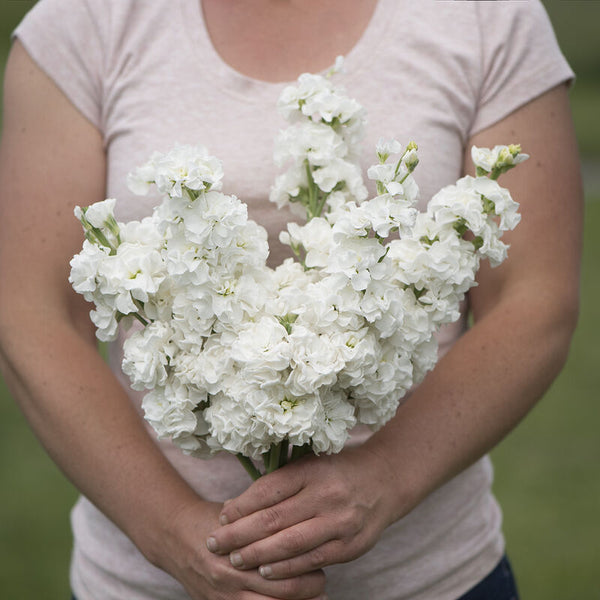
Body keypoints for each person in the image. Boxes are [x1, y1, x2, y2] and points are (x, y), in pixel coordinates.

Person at [0, 0, 582, 598]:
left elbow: (535, 302)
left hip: (432, 580)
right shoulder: (83, 21)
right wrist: (172, 531)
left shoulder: (487, 17)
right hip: (142, 582)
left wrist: (385, 477)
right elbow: (32, 315)